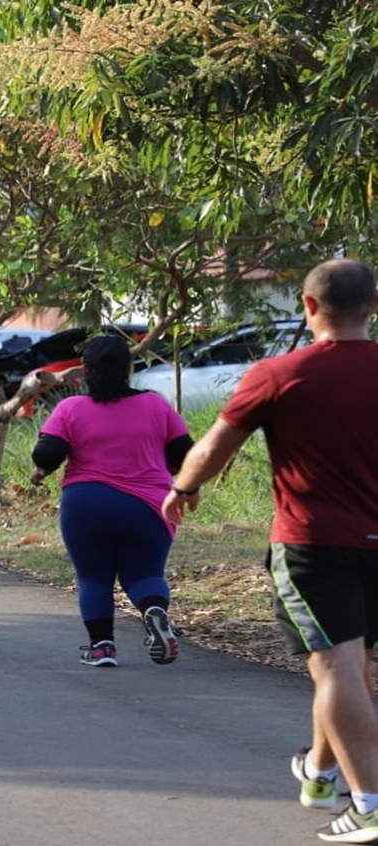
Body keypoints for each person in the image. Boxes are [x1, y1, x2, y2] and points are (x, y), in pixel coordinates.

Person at [163, 259, 378, 842]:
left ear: (308, 307)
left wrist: (183, 488)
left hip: (315, 542)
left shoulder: (281, 374)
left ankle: (369, 804)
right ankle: (319, 773)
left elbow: (212, 448)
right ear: (373, 308)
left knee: (334, 666)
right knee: (353, 664)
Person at [30, 333, 192, 668]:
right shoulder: (155, 404)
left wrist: (41, 470)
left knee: (94, 577)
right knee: (144, 574)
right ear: (128, 368)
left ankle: (102, 648)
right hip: (150, 505)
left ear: (85, 370)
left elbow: (47, 453)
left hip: (87, 503)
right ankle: (154, 610)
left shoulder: (70, 408)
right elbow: (185, 453)